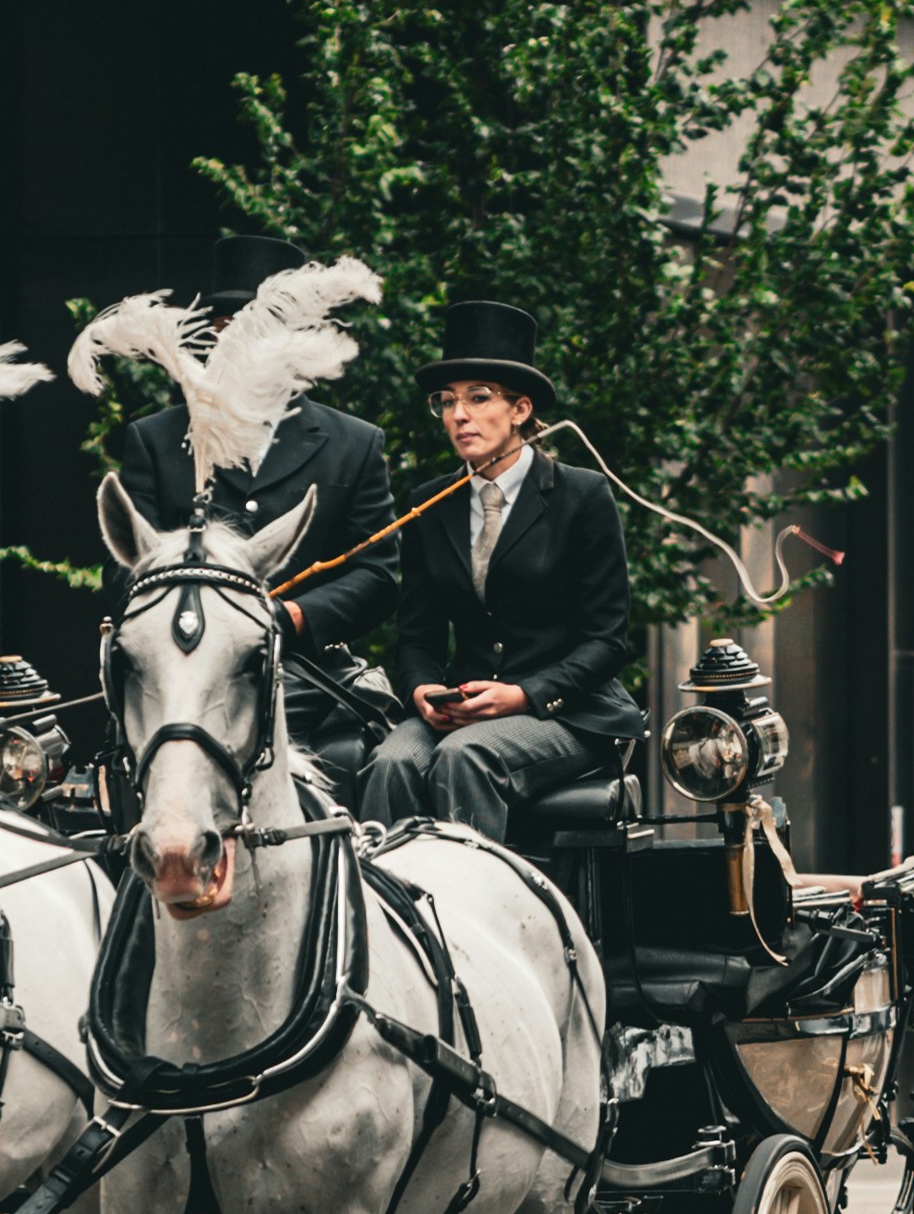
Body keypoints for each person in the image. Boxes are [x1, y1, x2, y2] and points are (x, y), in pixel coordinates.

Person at [111, 234, 403, 783]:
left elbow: (377, 575)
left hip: (308, 674)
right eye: (226, 328)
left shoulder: (353, 444)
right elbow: (123, 568)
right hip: (182, 668)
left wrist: (292, 617)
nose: (236, 344)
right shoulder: (155, 439)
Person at [359, 299, 644, 837]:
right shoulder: (429, 504)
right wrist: (422, 691)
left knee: (465, 758)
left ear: (520, 410)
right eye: (446, 402)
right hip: (462, 707)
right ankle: (386, 915)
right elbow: (417, 637)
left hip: (564, 712)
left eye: (478, 398)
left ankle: (472, 915)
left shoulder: (581, 495)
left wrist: (522, 695)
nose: (459, 415)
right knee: (390, 761)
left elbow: (606, 641)